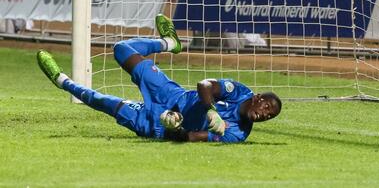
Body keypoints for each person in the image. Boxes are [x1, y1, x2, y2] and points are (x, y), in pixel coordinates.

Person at [36, 14, 281, 143]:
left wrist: (173, 127)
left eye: (269, 115)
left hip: (157, 124)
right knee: (122, 49)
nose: (265, 113)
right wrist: (211, 111)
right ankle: (169, 42)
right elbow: (204, 85)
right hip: (170, 94)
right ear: (258, 98)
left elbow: (193, 137)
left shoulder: (238, 134)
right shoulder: (239, 92)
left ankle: (62, 81)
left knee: (103, 102)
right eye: (266, 106)